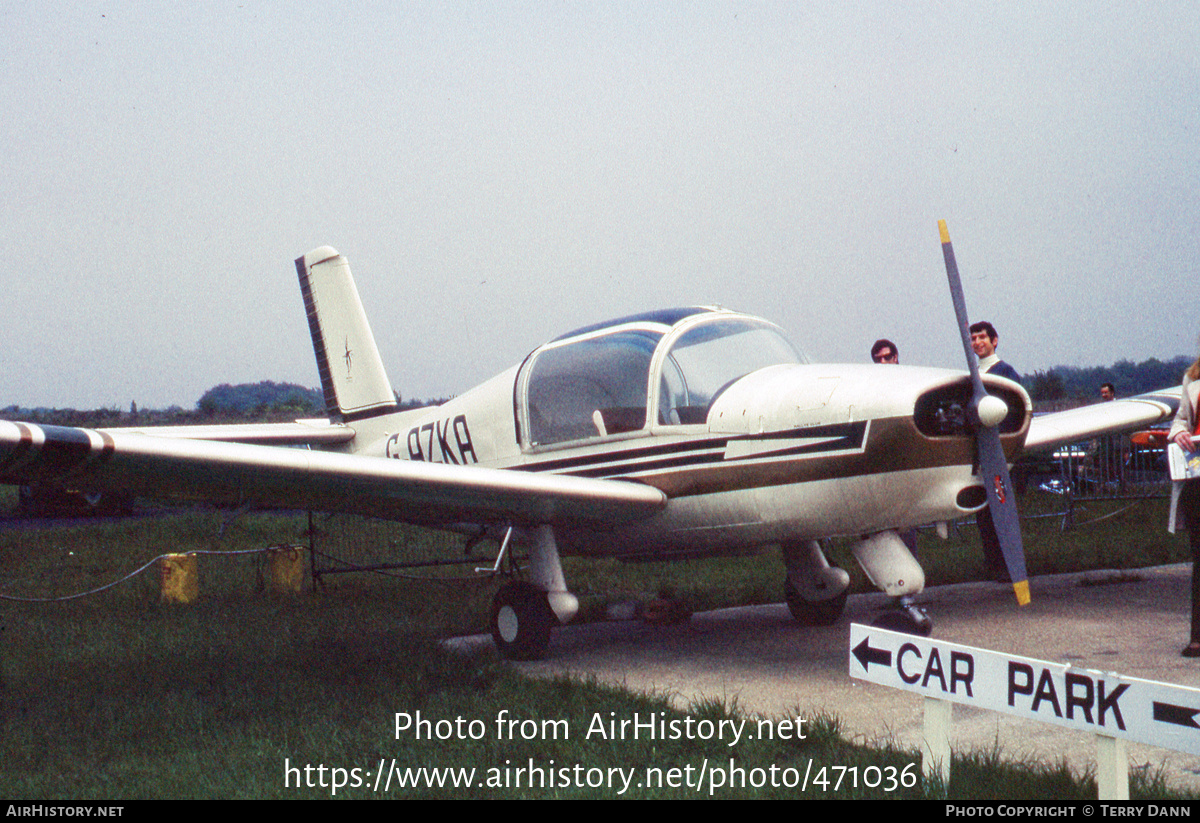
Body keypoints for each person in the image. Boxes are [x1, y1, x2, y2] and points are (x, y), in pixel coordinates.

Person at [969, 321, 1019, 581]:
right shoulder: (972, 375)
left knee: (1003, 510)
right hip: (981, 455)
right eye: (973, 339)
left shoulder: (1005, 372)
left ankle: (1009, 565)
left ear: (994, 341)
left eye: (982, 337)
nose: (978, 342)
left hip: (1002, 452)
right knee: (985, 514)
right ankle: (994, 565)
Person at [870, 338, 917, 553]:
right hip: (881, 465)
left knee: (905, 522)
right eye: (878, 359)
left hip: (906, 464)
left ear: (896, 358)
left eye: (887, 357)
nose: (883, 362)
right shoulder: (871, 387)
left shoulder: (909, 383)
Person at [1169, 354, 1200, 657]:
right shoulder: (1193, 377)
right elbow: (1181, 418)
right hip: (1197, 475)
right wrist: (1179, 432)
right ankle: (1198, 636)